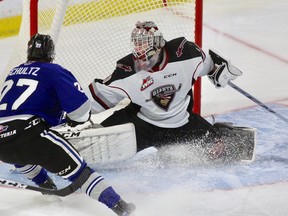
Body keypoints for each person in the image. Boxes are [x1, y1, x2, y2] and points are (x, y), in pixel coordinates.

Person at [0, 33, 135, 216]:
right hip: (30, 134)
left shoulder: (13, 71)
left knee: (19, 155)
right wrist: (73, 119)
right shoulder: (54, 70)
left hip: (2, 141)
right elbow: (81, 111)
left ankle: (46, 187)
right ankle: (121, 208)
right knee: (81, 174)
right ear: (51, 53)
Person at [88, 21, 255, 163]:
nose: (141, 58)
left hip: (181, 123)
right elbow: (98, 97)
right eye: (137, 48)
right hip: (141, 124)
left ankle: (220, 131)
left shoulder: (186, 54)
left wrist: (219, 70)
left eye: (146, 51)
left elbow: (211, 65)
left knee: (225, 152)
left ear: (159, 46)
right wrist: (73, 111)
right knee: (95, 144)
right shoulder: (126, 71)